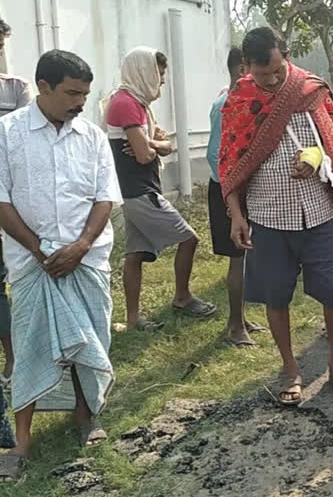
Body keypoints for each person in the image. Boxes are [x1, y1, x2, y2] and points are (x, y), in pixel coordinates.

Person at [219, 27, 333, 406]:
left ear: (286, 54)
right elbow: (231, 163)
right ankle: (290, 369)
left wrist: (316, 158)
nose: (271, 81)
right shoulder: (239, 99)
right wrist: (236, 215)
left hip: (318, 212)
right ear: (247, 68)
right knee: (276, 297)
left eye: (276, 70)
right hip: (268, 216)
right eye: (262, 74)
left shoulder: (312, 90)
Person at [0, 50, 122, 481]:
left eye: (85, 94)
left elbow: (105, 197)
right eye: (72, 93)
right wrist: (41, 251)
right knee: (30, 345)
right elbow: (1, 201)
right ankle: (22, 440)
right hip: (33, 266)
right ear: (43, 87)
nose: (80, 102)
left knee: (93, 338)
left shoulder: (91, 135)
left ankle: (86, 416)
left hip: (86, 261)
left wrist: (81, 246)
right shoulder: (7, 133)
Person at [105, 47, 216, 332]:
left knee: (134, 255)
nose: (162, 81)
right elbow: (144, 155)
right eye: (159, 74)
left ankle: (133, 320)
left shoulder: (139, 104)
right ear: (143, 72)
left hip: (136, 190)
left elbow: (161, 147)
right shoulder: (126, 103)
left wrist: (151, 143)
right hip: (139, 191)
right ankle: (182, 297)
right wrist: (153, 145)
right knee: (189, 238)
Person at [206, 46, 265, 347]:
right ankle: (233, 325)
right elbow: (216, 156)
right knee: (237, 258)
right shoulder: (227, 104)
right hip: (227, 189)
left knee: (247, 255)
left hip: (242, 187)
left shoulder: (243, 102)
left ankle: (240, 318)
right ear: (243, 69)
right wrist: (233, 194)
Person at [0, 15, 32, 450]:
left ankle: (14, 367)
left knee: (8, 290)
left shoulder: (15, 89)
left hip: (10, 203)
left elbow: (25, 142)